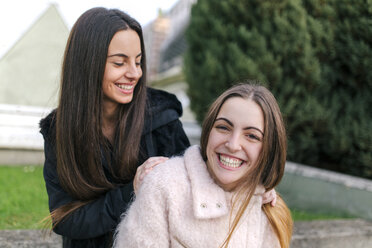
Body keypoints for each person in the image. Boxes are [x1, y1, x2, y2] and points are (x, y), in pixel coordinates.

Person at [39, 7, 191, 248]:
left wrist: (254, 190)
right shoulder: (58, 132)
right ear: (87, 64)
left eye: (138, 62)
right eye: (120, 62)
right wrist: (134, 188)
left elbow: (195, 189)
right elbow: (65, 219)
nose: (134, 73)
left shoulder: (163, 119)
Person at [114, 82, 293, 248]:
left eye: (252, 136)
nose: (232, 144)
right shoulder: (164, 187)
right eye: (223, 127)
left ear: (269, 149)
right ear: (208, 131)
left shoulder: (269, 210)